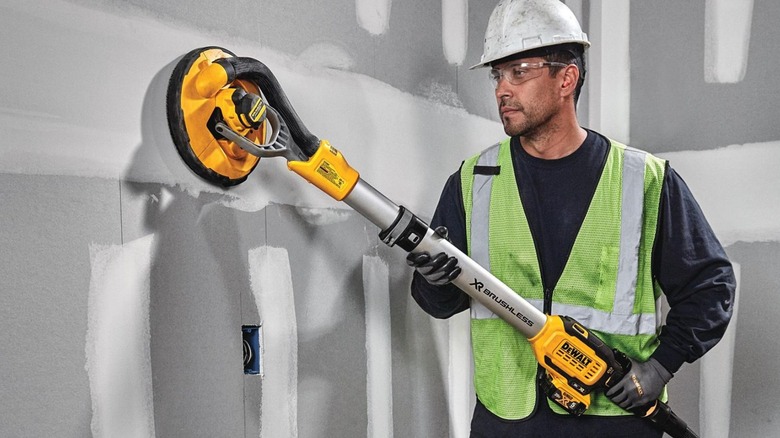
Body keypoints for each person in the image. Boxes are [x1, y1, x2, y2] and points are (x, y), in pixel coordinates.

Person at [407, 0, 736, 437]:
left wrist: (661, 366)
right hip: (507, 422)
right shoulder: (474, 181)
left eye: (519, 72)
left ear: (566, 78)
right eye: (497, 75)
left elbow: (711, 286)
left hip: (613, 423)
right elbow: (440, 303)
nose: (502, 90)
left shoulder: (644, 181)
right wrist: (434, 281)